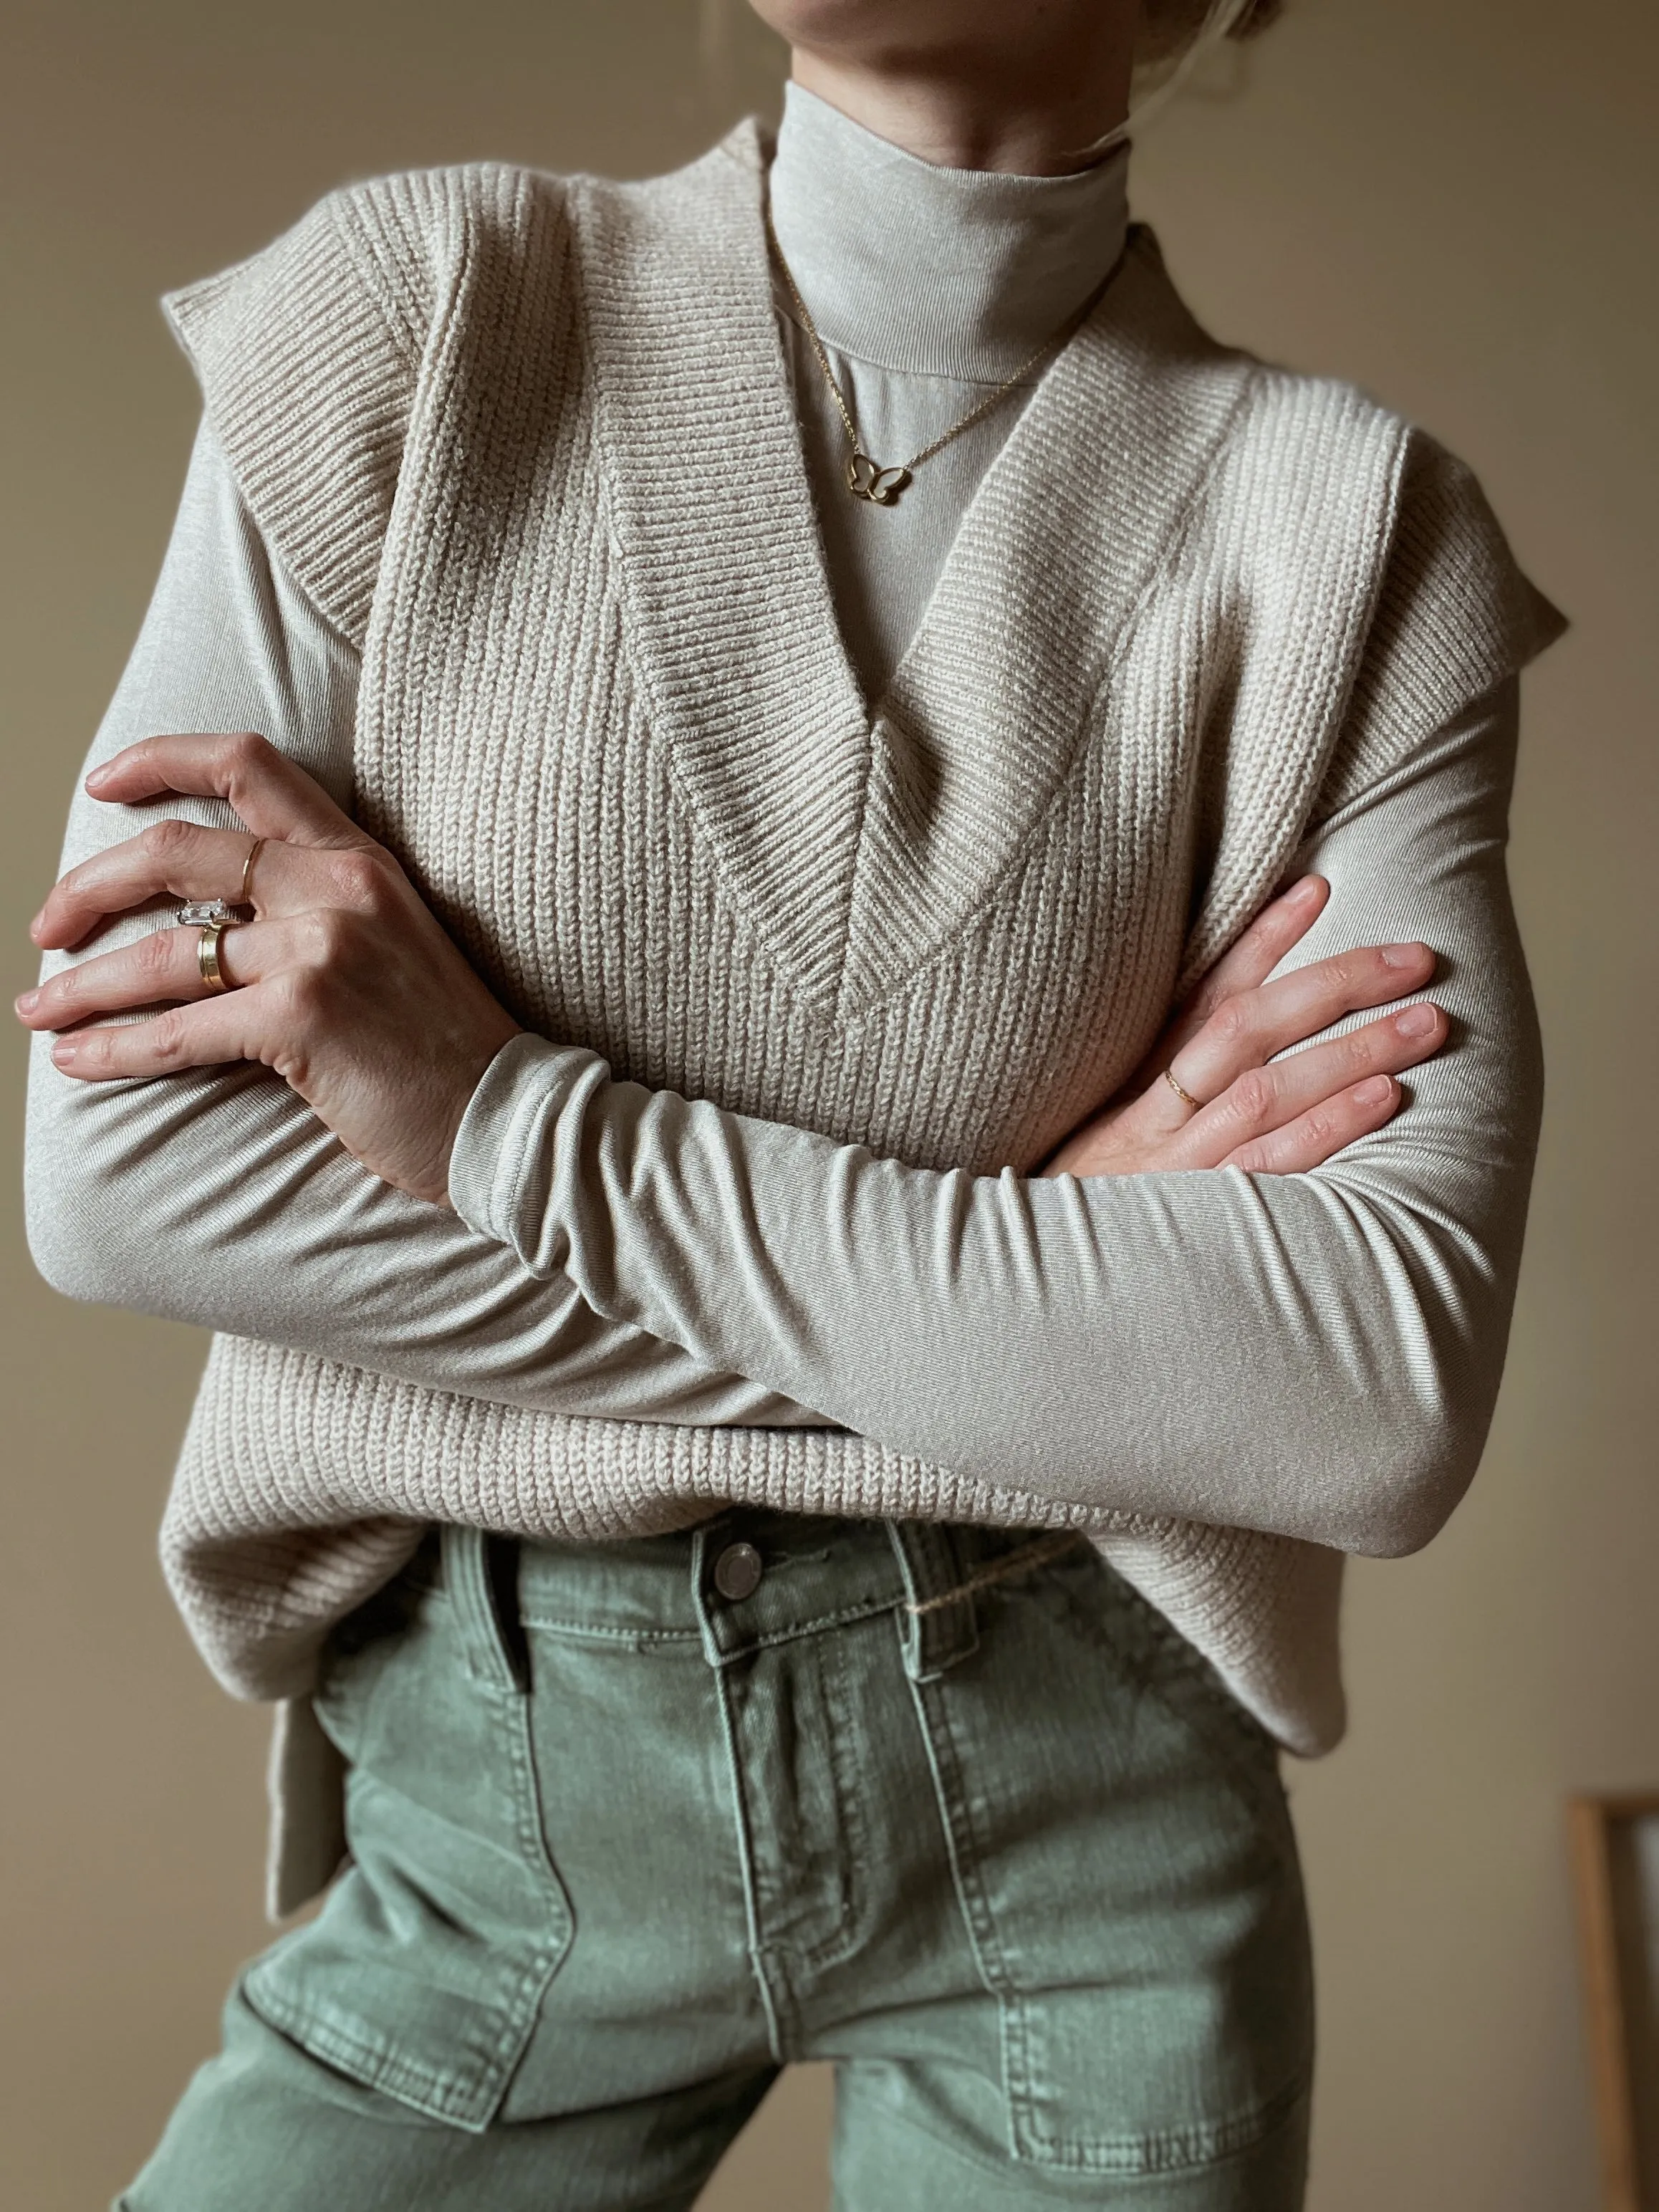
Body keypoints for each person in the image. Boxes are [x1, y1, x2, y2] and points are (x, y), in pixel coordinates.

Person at [19, 0, 1561, 2203]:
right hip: (514, 1809)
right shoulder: (420, 315)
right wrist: (1050, 1257)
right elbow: (130, 1173)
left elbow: (1366, 1391)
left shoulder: (1349, 530)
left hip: (1088, 1816)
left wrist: (488, 1121)